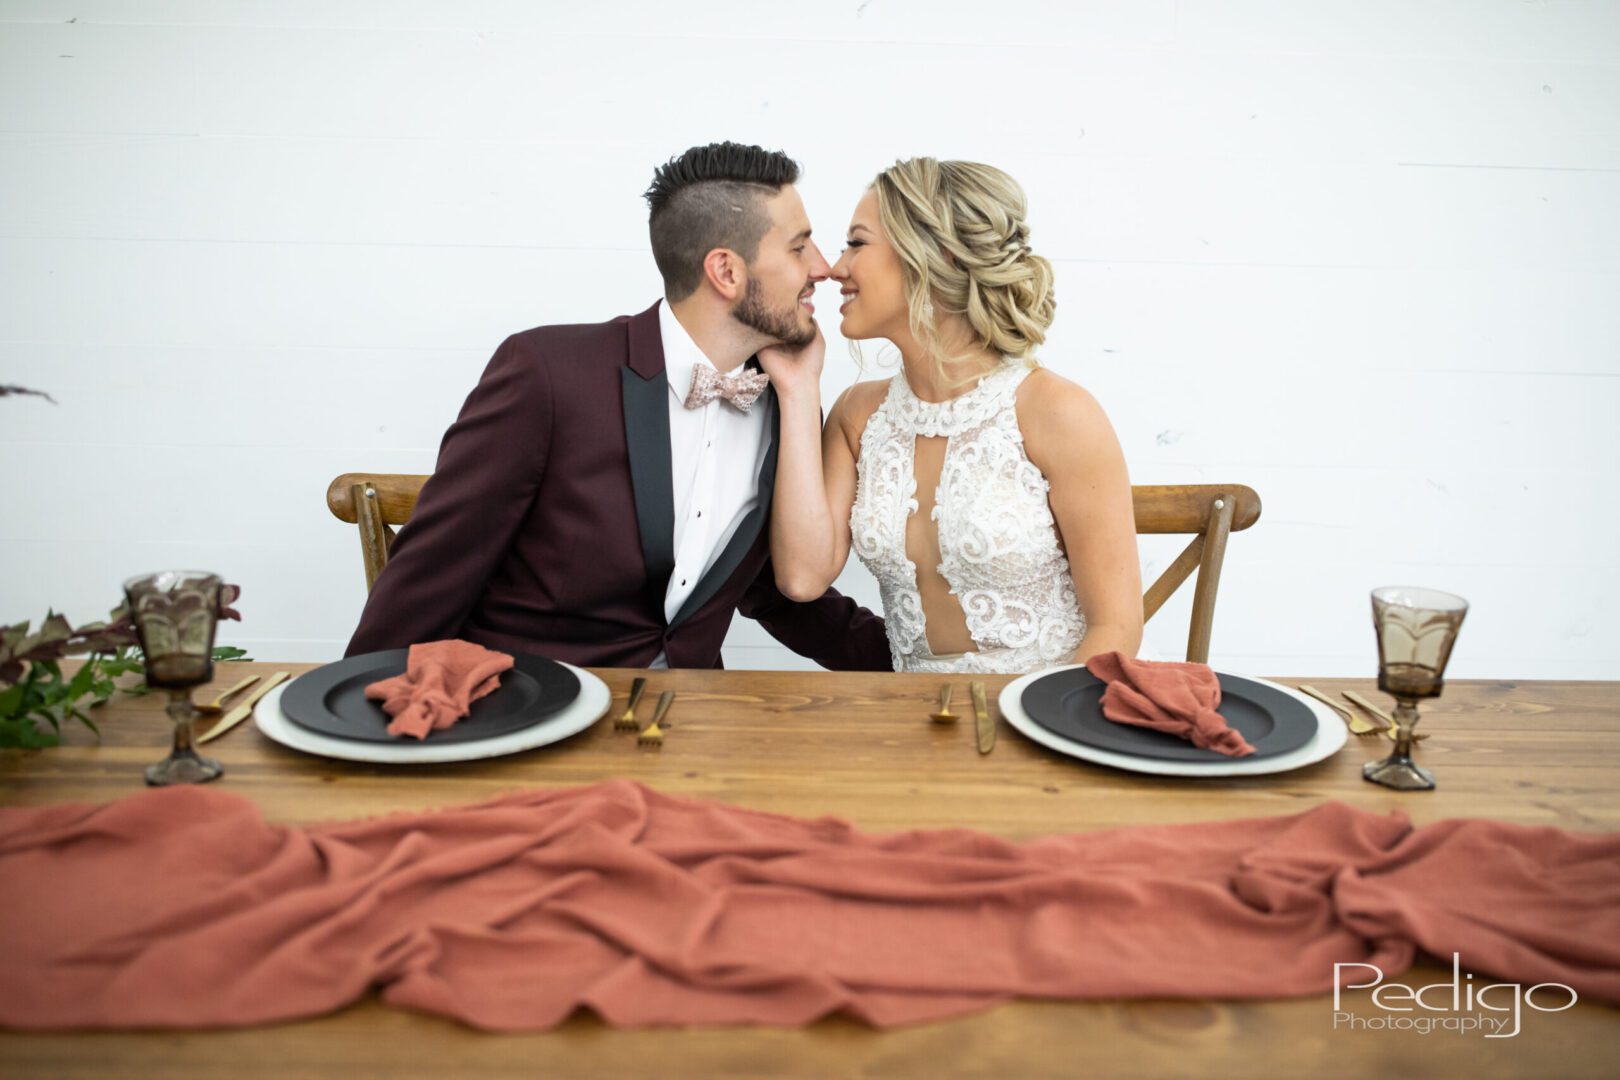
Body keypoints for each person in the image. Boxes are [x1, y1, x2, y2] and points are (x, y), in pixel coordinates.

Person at [346, 142, 890, 671]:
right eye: (799, 246)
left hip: (687, 730)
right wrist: (353, 725)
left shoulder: (784, 400)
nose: (823, 268)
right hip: (534, 718)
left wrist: (914, 663)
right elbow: (430, 578)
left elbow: (772, 589)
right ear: (726, 272)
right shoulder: (548, 374)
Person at [759, 158, 1142, 674]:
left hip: (1044, 716)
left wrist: (1046, 729)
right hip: (915, 723)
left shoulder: (1057, 412)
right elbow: (802, 579)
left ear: (931, 255)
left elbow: (1114, 628)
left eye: (857, 243)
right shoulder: (856, 417)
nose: (836, 267)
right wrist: (800, 387)